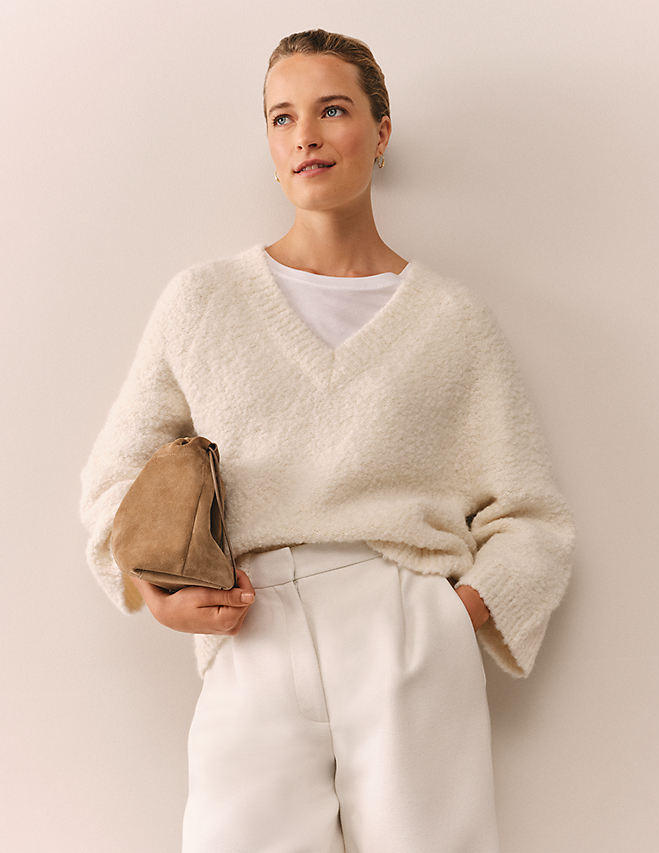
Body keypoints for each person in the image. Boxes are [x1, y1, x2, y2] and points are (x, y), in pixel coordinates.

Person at [81, 29, 574, 853]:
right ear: (270, 146)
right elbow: (114, 480)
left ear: (381, 132)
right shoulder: (203, 302)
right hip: (251, 627)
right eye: (282, 117)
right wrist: (155, 589)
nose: (304, 135)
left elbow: (532, 516)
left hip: (407, 627)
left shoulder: (452, 320)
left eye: (332, 110)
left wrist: (451, 621)